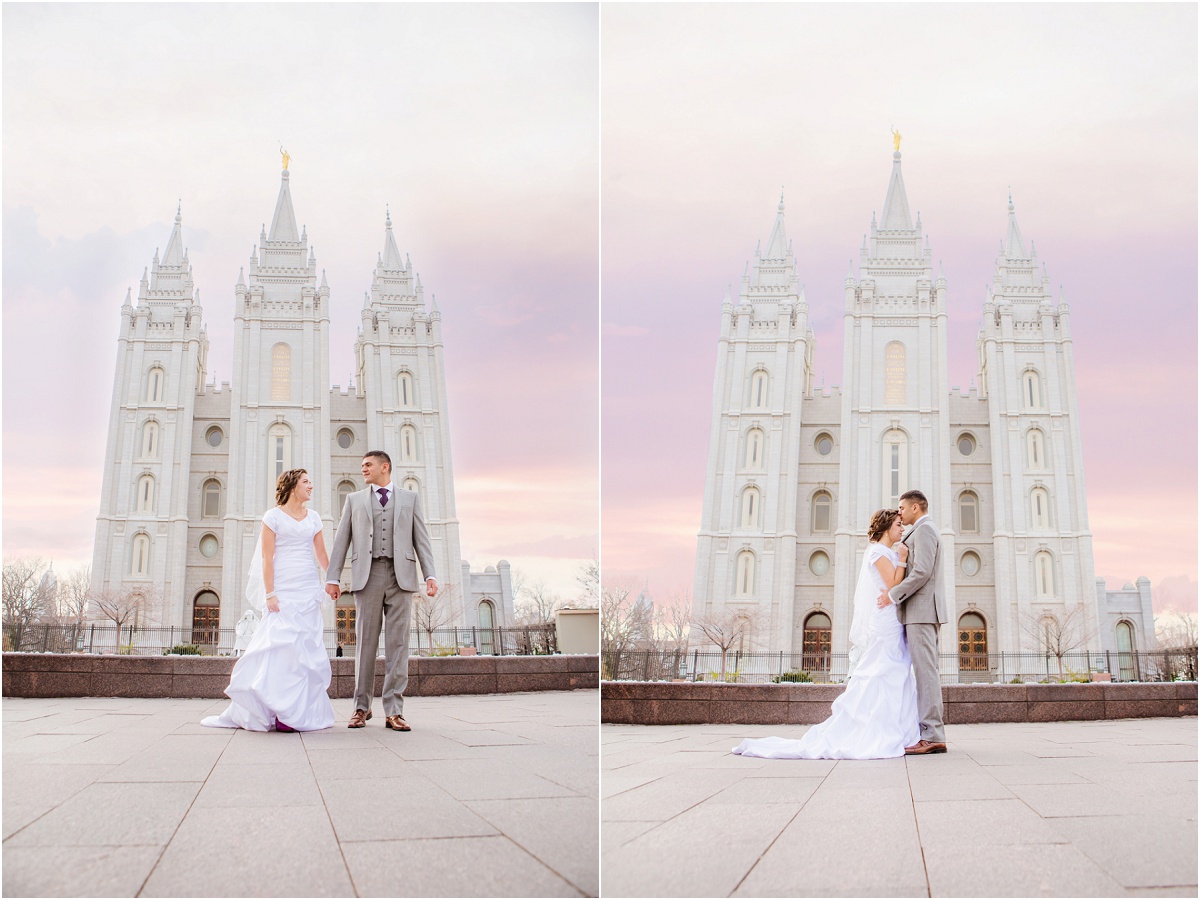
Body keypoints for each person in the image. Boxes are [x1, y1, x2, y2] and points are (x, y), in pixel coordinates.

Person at [733, 508, 919, 759]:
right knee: (882, 671)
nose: (902, 528)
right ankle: (877, 729)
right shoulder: (877, 552)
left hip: (892, 618)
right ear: (886, 528)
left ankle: (898, 728)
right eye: (898, 524)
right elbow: (893, 586)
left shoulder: (887, 551)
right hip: (886, 623)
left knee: (894, 672)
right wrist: (904, 559)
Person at [202, 469, 335, 732]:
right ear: (293, 486)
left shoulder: (315, 518)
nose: (311, 486)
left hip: (307, 588)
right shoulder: (272, 517)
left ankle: (296, 711)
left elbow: (321, 554)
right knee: (278, 649)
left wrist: (331, 580)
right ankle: (274, 708)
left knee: (304, 651)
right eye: (306, 482)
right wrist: (270, 593)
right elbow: (267, 558)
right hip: (282, 590)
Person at [325, 450, 437, 732]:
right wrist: (333, 577)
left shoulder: (410, 499)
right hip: (368, 575)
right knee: (365, 644)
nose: (363, 469)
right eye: (362, 465)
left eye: (368, 465)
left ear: (384, 467)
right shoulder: (354, 500)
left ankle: (395, 710)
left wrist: (430, 574)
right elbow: (341, 541)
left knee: (399, 645)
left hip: (402, 577)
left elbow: (421, 538)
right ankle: (361, 708)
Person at [878, 489, 948, 754]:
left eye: (902, 508)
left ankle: (933, 736)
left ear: (915, 508)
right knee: (923, 672)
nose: (900, 512)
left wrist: (893, 595)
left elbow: (922, 572)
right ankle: (928, 732)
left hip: (923, 612)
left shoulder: (926, 530)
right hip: (917, 613)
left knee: (926, 672)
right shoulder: (918, 531)